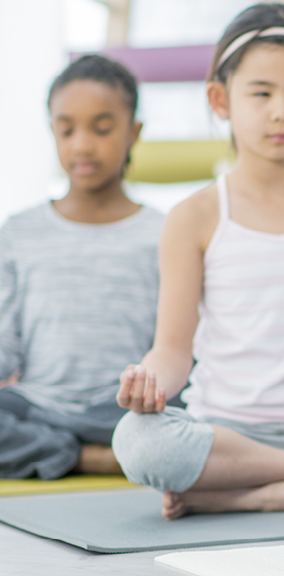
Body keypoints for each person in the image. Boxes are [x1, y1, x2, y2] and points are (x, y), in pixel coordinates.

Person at [112, 3, 284, 519]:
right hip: (225, 433)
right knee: (138, 441)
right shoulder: (194, 216)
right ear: (220, 98)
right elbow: (172, 351)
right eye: (261, 93)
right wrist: (149, 383)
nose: (282, 111)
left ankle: (256, 496)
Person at [0, 55, 161, 479]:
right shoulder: (20, 230)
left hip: (129, 410)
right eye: (66, 129)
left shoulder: (165, 232)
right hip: (41, 409)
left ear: (134, 132)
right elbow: (5, 346)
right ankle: (88, 458)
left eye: (102, 128)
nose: (82, 145)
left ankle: (93, 453)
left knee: (200, 420)